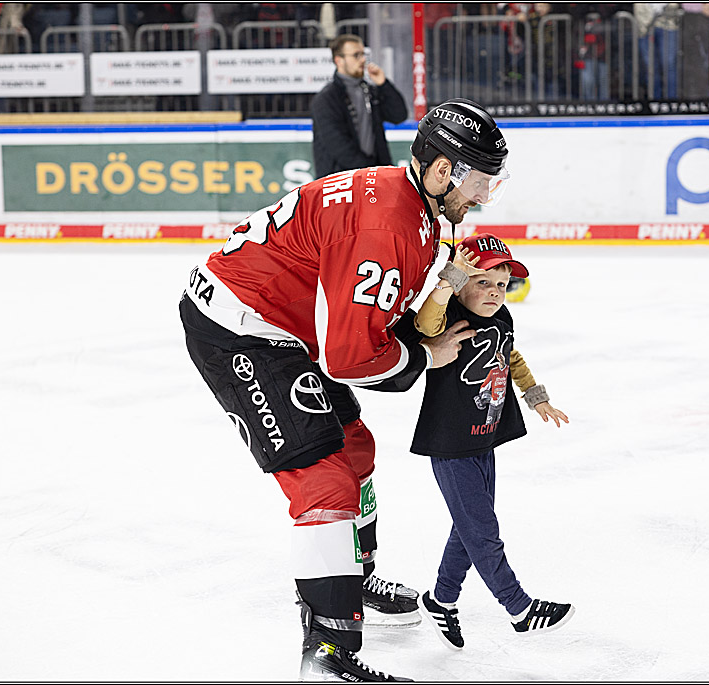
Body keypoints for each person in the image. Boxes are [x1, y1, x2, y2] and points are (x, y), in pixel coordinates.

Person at [179, 98, 512, 681]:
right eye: (480, 181)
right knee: (324, 477)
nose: (484, 197)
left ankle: (352, 581)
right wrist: (423, 356)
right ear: (442, 172)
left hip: (282, 325)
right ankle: (327, 652)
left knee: (355, 447)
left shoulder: (413, 205)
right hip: (240, 330)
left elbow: (373, 314)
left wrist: (418, 328)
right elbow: (353, 355)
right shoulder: (389, 223)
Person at [410, 233, 574, 651]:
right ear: (461, 282)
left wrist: (536, 397)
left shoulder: (503, 320)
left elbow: (511, 356)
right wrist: (449, 279)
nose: (494, 293)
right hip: (450, 442)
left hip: (484, 433)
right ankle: (519, 608)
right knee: (482, 530)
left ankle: (441, 600)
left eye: (501, 285)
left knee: (468, 525)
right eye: (483, 282)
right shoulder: (445, 317)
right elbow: (424, 323)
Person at [311, 34, 409, 179]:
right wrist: (369, 170)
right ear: (339, 60)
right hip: (340, 181)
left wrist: (383, 84)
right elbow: (338, 145)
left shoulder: (370, 91)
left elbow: (399, 115)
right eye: (356, 55)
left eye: (363, 54)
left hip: (373, 176)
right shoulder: (326, 99)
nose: (363, 59)